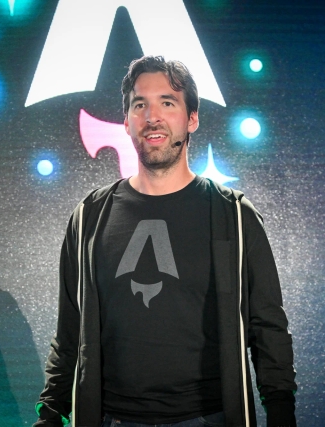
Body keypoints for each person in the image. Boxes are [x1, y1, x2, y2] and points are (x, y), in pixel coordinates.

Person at [34, 55, 297, 427]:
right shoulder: (89, 217)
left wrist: (282, 412)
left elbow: (267, 327)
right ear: (126, 121)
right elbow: (69, 334)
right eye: (140, 104)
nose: (152, 117)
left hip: (209, 419)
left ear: (192, 118)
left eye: (167, 103)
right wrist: (50, 414)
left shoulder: (234, 216)